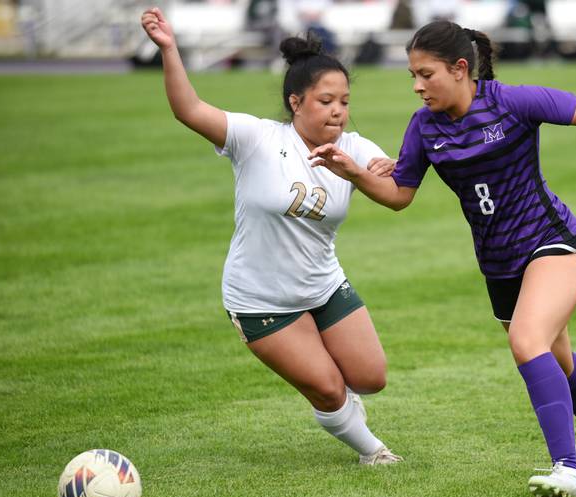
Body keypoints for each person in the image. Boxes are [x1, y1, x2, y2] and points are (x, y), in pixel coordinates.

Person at [309, 20, 576, 497]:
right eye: (412, 74)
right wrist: (351, 171)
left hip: (552, 241)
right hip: (498, 263)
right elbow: (398, 195)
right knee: (554, 355)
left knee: (527, 339)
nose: (417, 85)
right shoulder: (424, 127)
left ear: (459, 69)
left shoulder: (509, 101)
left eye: (425, 74)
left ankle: (567, 471)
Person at [140, 7, 402, 466]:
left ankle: (346, 404)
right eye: (325, 101)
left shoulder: (355, 148)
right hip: (259, 298)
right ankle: (372, 451)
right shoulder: (255, 138)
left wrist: (357, 173)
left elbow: (397, 195)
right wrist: (169, 49)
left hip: (322, 286)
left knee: (372, 377)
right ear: (296, 102)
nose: (338, 110)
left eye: (344, 101)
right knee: (326, 386)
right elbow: (189, 109)